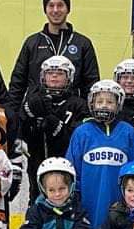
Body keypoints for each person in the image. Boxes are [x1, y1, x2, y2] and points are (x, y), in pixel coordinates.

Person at [66, 80, 134, 229]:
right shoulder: (82, 132)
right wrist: (74, 197)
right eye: (99, 101)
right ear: (91, 104)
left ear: (118, 105)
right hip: (88, 199)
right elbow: (71, 168)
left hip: (121, 200)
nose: (104, 105)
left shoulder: (128, 132)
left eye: (110, 102)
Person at [7, 0, 100, 109]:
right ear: (45, 9)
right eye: (51, 6)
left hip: (71, 112)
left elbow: (91, 83)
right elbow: (18, 82)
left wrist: (85, 113)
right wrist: (13, 113)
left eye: (60, 5)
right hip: (36, 111)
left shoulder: (83, 43)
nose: (55, 10)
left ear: (68, 9)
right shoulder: (32, 42)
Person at [20, 55, 88, 201]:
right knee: (38, 205)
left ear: (69, 78)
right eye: (50, 73)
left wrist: (54, 123)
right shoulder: (34, 100)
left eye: (60, 73)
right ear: (43, 77)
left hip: (67, 166)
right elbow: (23, 134)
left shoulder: (79, 104)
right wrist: (28, 115)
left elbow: (77, 139)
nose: (55, 76)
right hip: (37, 165)